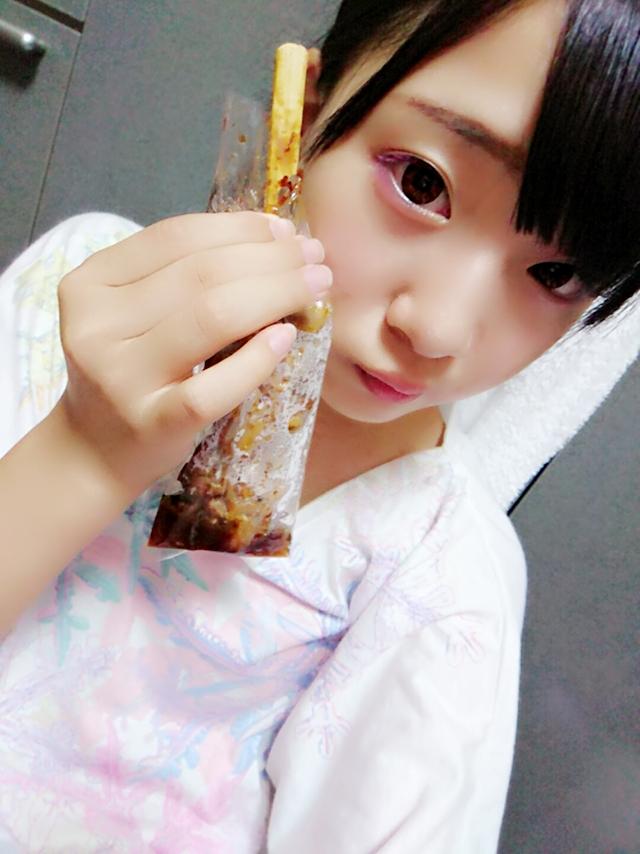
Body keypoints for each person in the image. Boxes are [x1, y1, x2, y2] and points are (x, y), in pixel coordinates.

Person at [1, 0, 639, 850]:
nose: (439, 329)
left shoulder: (443, 574)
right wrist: (82, 454)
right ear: (305, 104)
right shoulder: (75, 291)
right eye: (422, 183)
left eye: (557, 274)